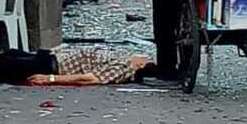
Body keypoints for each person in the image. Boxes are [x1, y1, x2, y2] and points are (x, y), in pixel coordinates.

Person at [27, 49, 157, 86]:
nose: (143, 56)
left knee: (8, 62)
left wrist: (50, 79)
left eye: (145, 59)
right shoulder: (124, 61)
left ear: (140, 65)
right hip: (53, 58)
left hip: (52, 66)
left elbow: (90, 78)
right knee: (11, 55)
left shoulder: (123, 69)